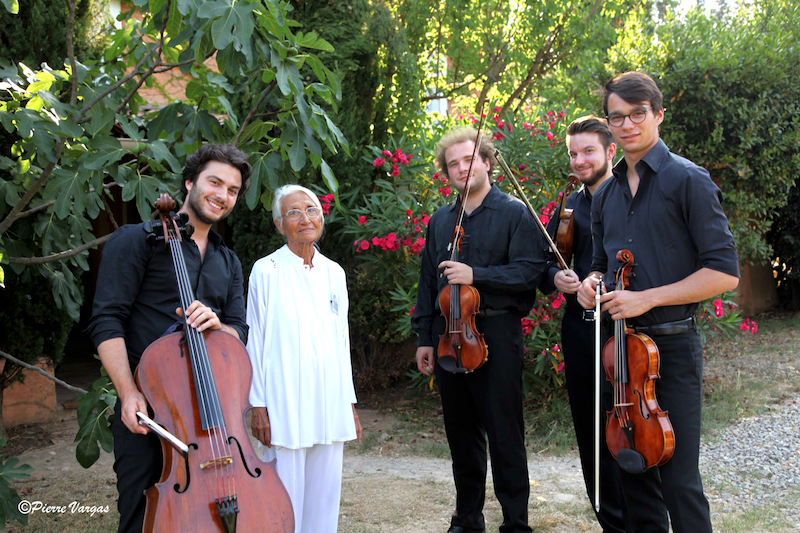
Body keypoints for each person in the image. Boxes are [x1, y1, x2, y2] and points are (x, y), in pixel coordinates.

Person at [576, 71, 740, 533]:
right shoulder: (605, 195)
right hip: (621, 354)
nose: (627, 125)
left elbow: (724, 273)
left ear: (658, 115)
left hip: (672, 348)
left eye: (637, 114)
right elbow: (599, 264)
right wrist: (592, 284)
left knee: (678, 481)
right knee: (633, 475)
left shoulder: (688, 180)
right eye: (617, 117)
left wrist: (647, 298)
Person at [87, 143, 252, 532]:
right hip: (153, 410)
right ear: (190, 182)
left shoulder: (228, 261)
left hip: (215, 415)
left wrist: (218, 326)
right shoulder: (135, 241)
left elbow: (238, 332)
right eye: (215, 182)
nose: (222, 195)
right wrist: (129, 393)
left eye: (232, 190)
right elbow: (107, 321)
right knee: (143, 518)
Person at [412, 127, 546, 533]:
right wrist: (423, 338)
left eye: (468, 160)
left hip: (497, 335)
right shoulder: (440, 221)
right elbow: (426, 284)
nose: (460, 168)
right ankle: (467, 518)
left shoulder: (514, 213)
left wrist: (477, 274)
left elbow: (529, 272)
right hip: (448, 340)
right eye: (452, 164)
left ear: (486, 162)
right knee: (461, 436)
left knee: (505, 434)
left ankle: (516, 523)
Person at [246, 184, 362, 533]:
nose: (304, 218)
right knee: (282, 494)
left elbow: (342, 342)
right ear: (280, 225)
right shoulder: (266, 271)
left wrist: (349, 403)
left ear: (321, 217)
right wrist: (258, 405)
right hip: (283, 401)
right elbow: (255, 338)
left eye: (311, 209)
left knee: (325, 495)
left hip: (329, 399)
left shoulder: (334, 272)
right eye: (293, 212)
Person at [539, 115, 636, 532]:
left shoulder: (633, 196)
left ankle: (642, 518)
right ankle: (609, 522)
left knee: (630, 425)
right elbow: (544, 263)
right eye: (573, 153)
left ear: (611, 150)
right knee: (592, 429)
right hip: (580, 329)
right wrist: (554, 278)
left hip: (627, 327)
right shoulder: (568, 206)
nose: (579, 160)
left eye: (588, 151)